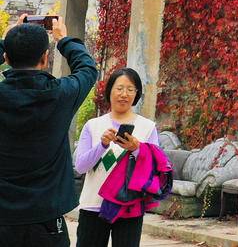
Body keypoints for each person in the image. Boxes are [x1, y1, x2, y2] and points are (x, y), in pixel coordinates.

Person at [0, 15, 97, 247]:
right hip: (47, 222)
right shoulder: (61, 95)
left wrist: (7, 40)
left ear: (6, 58)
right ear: (45, 58)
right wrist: (63, 39)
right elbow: (88, 69)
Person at [74, 67, 161, 247]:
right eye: (119, 88)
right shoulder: (93, 125)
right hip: (94, 205)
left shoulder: (147, 127)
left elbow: (155, 167)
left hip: (129, 206)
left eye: (130, 89)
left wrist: (137, 149)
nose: (124, 94)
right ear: (110, 90)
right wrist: (102, 145)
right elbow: (80, 166)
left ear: (136, 94)